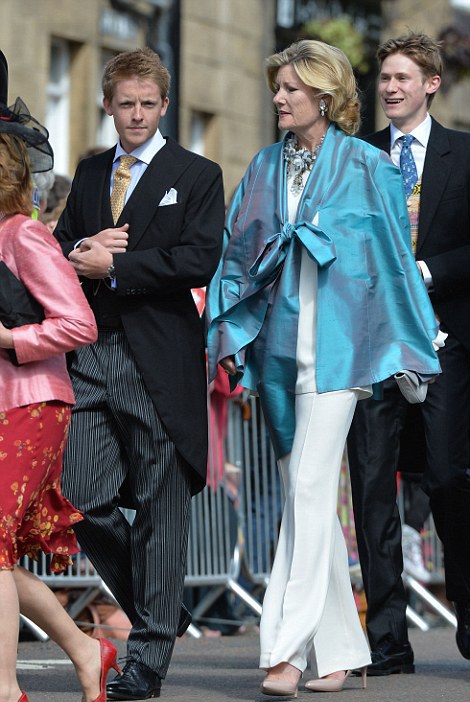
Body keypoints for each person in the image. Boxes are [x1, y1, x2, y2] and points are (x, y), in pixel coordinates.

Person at [206, 39, 441, 697]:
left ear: (325, 94)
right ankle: (340, 654)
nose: (278, 97)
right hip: (279, 354)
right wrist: (229, 336)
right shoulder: (262, 165)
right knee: (303, 498)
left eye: (291, 88)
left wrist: (414, 342)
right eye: (277, 87)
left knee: (310, 488)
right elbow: (235, 255)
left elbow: (393, 262)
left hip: (343, 354)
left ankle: (283, 650)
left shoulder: (369, 166)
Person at [53, 47, 225, 701]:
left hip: (160, 358)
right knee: (77, 494)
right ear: (107, 105)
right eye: (125, 103)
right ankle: (160, 607)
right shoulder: (90, 170)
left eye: (148, 104)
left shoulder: (197, 174)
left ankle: (147, 658)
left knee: (159, 506)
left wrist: (119, 268)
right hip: (92, 354)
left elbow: (200, 258)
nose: (136, 114)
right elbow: (60, 245)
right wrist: (83, 249)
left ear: (164, 106)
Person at [347, 31, 470, 675]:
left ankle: (468, 609)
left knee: (448, 477)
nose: (390, 88)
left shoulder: (465, 154)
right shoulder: (357, 156)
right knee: (372, 489)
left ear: (431, 84)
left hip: (446, 343)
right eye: (385, 78)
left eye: (402, 77)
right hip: (370, 348)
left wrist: (427, 272)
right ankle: (387, 641)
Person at [0, 62, 116, 702]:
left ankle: (6, 687)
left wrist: (11, 340)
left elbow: (78, 323)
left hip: (31, 404)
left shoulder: (23, 235)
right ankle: (85, 649)